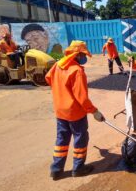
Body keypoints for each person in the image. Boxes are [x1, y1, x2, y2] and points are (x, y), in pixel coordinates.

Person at [45, 40, 105, 180]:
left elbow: (48, 79)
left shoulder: (57, 65)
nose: (84, 57)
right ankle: (78, 169)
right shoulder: (77, 71)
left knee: (62, 139)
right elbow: (82, 98)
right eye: (83, 54)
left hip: (60, 111)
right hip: (75, 113)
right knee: (80, 139)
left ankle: (56, 170)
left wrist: (61, 92)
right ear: (77, 55)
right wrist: (94, 111)